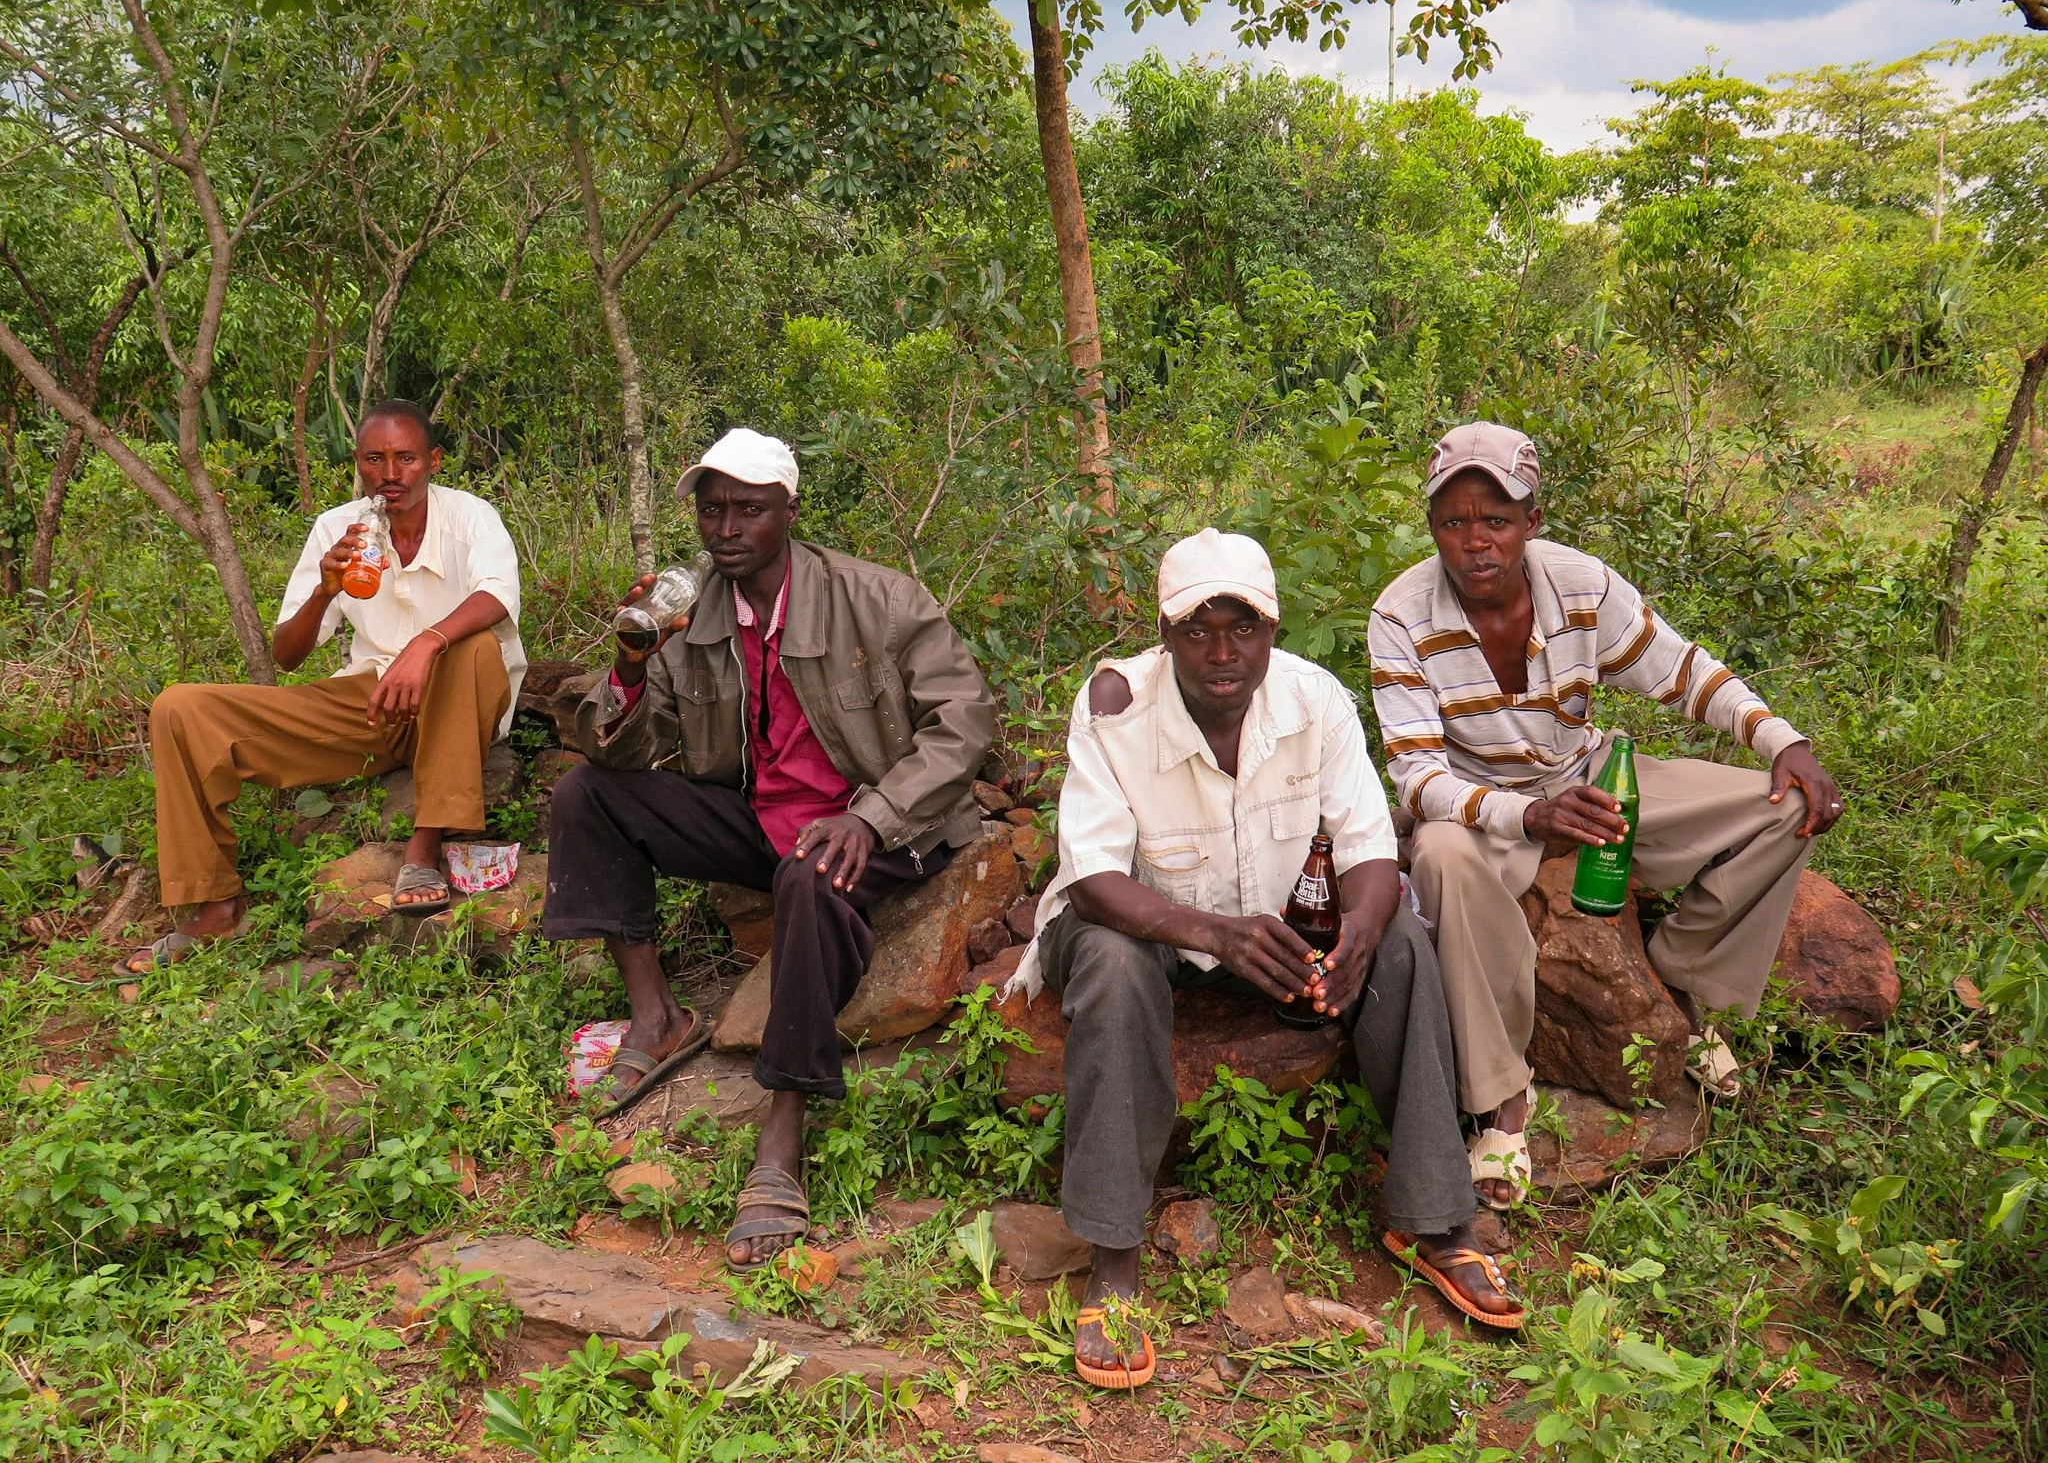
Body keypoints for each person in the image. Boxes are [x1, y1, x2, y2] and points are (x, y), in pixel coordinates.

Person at [1010, 528, 1525, 1390]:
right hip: (1140, 925)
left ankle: (1436, 1221)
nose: (1223, 653)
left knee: (1399, 934)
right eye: (1198, 631)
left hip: (1276, 934)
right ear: (1165, 635)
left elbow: (1368, 847)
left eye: (1243, 628)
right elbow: (1095, 879)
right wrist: (1216, 935)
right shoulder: (1114, 707)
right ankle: (1114, 1259)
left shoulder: (1313, 700)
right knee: (1112, 965)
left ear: (1273, 630)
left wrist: (1360, 933)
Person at [541, 427, 997, 1271]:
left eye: (748, 510)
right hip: (764, 823)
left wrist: (873, 817)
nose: (726, 529)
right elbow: (625, 752)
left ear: (789, 511)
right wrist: (631, 666)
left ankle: (784, 1125)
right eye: (712, 510)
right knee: (585, 795)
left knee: (810, 874)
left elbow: (964, 723)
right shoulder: (693, 615)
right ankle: (657, 1015)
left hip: (887, 827)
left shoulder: (881, 599)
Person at [1369, 422, 1846, 1209]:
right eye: (1454, 521)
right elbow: (1418, 779)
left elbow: (1683, 672)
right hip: (1481, 810)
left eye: (1497, 519)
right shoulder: (1401, 614)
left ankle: (1687, 992)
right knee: (1439, 856)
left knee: (1785, 805)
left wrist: (1783, 740)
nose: (1476, 541)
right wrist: (1530, 817)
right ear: (1432, 528)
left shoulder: (1580, 584)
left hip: (1586, 779)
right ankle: (1501, 1098)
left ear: (1532, 519)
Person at [138, 399, 526, 974]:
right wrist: (324, 589)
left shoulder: (471, 516)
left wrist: (425, 645)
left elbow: (497, 596)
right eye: (374, 459)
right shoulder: (339, 527)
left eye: (406, 458)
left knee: (472, 646)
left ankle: (423, 848)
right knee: (180, 707)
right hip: (374, 704)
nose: (390, 473)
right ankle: (214, 902)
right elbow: (288, 654)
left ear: (434, 460)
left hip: (462, 703)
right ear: (358, 462)